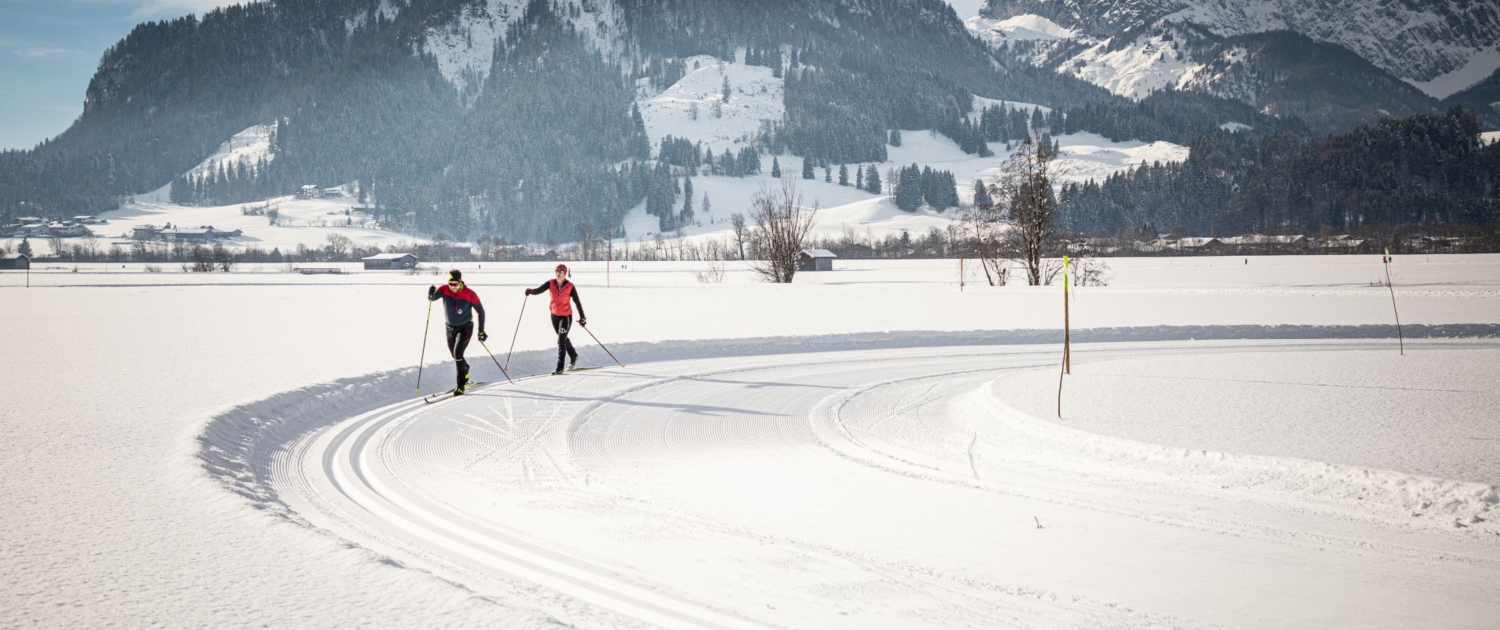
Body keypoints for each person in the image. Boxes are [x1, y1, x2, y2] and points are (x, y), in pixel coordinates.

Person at [428, 269, 487, 394]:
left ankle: (461, 385)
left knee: (458, 353)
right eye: (450, 284)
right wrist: (430, 293)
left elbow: (481, 312)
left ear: (460, 282)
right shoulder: (444, 289)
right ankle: (465, 369)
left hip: (465, 328)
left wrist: (481, 331)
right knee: (455, 355)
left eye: (455, 284)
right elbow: (432, 298)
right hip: (449, 328)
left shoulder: (470, 294)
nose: (452, 287)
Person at [526, 264, 587, 375]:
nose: (558, 274)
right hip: (554, 316)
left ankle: (560, 368)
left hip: (566, 317)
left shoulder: (570, 286)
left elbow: (577, 302)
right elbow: (539, 290)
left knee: (561, 341)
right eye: (556, 272)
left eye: (560, 272)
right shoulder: (551, 283)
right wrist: (530, 291)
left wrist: (582, 317)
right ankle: (573, 355)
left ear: (565, 273)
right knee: (562, 338)